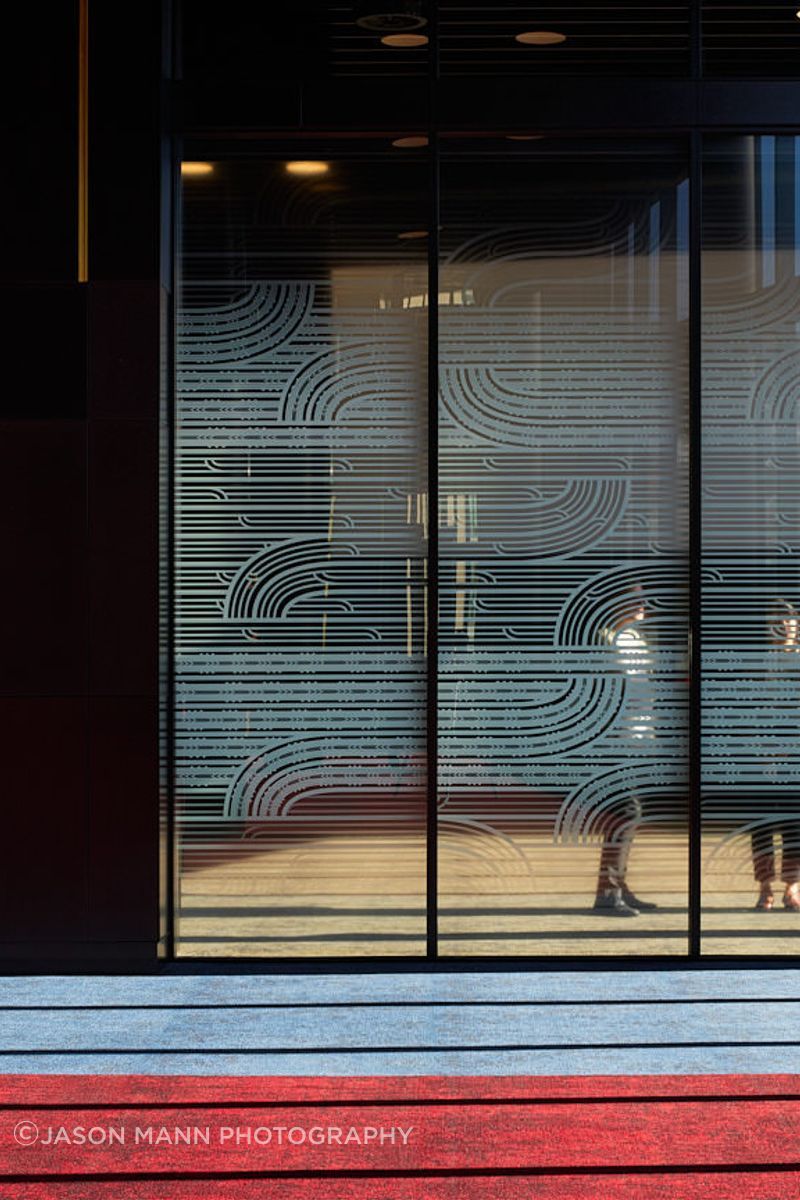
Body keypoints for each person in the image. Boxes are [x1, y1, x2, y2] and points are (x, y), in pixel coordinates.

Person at [593, 591, 658, 917]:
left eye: (644, 602)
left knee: (631, 815)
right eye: (634, 602)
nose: (642, 607)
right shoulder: (606, 640)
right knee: (626, 813)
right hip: (617, 742)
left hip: (638, 738)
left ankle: (618, 886)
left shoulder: (635, 639)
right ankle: (608, 892)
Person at [752, 599, 800, 911]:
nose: (783, 625)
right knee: (762, 827)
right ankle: (765, 887)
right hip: (761, 760)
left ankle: (792, 887)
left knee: (796, 826)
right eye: (776, 619)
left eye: (789, 619)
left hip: (793, 757)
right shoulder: (758, 665)